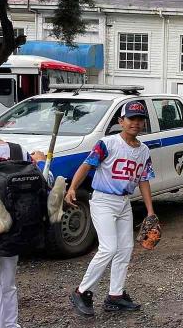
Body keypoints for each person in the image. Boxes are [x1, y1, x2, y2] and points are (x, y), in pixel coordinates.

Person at [0, 100, 60, 328]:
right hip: (18, 230)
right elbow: (41, 181)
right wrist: (38, 162)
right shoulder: (19, 150)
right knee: (8, 286)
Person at [67, 100, 156, 316]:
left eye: (140, 119)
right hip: (103, 200)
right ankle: (82, 291)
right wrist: (72, 189)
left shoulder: (143, 150)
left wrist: (151, 211)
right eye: (131, 118)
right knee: (109, 248)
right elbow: (87, 165)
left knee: (125, 248)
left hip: (124, 202)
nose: (135, 123)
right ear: (121, 121)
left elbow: (143, 180)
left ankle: (115, 295)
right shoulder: (107, 143)